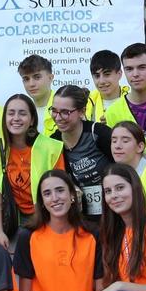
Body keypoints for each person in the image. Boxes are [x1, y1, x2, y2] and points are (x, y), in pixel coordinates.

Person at [0, 94, 65, 249]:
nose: (16, 118)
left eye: (22, 113)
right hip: (13, 221)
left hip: (46, 218)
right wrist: (0, 232)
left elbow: (60, 191)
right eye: (11, 113)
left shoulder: (52, 148)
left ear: (32, 120)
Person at [50, 85, 114, 224]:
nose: (58, 117)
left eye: (65, 112)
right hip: (80, 218)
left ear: (82, 111)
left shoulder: (98, 133)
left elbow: (125, 168)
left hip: (112, 212)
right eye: (54, 111)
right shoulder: (53, 142)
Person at [18, 54, 56, 133]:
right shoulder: (19, 114)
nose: (31, 84)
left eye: (37, 77)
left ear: (51, 78)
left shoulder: (67, 109)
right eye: (26, 79)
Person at [86, 49, 125, 123]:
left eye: (107, 74)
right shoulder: (86, 103)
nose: (102, 81)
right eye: (97, 76)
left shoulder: (132, 102)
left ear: (119, 74)